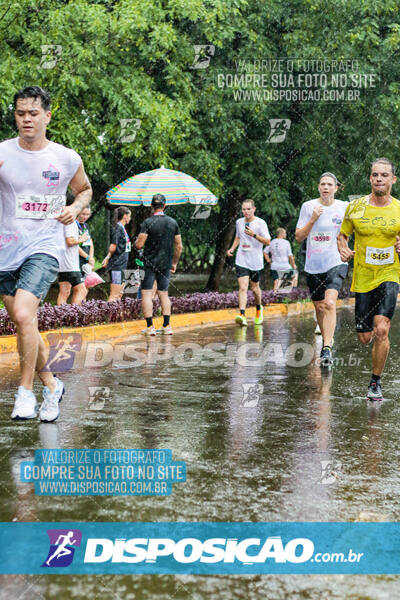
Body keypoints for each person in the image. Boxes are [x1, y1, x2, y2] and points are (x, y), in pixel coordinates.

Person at [0, 85, 92, 422]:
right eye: (20, 113)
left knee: (24, 315)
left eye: (33, 113)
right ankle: (52, 385)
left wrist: (75, 205)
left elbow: (85, 189)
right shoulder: (3, 152)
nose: (26, 119)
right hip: (5, 249)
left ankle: (25, 392)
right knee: (26, 324)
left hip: (44, 248)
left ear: (47, 116)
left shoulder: (66, 158)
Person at [337, 157, 400, 400]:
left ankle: (375, 382)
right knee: (365, 337)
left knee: (382, 329)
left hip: (389, 273)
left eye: (384, 175)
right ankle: (376, 342)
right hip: (363, 277)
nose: (379, 179)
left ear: (393, 179)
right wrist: (342, 248)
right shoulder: (356, 207)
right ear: (370, 178)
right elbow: (342, 235)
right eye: (375, 175)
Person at [295, 172, 348, 367]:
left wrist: (348, 247)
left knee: (330, 302)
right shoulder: (309, 207)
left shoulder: (343, 207)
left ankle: (326, 348)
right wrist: (313, 219)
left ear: (336, 188)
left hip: (336, 260)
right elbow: (299, 237)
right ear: (318, 187)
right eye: (322, 184)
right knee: (319, 306)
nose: (326, 187)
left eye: (329, 184)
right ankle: (327, 337)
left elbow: (353, 229)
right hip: (313, 265)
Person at [135, 193, 183, 335]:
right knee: (164, 294)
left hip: (149, 263)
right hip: (165, 264)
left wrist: (137, 242)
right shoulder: (173, 223)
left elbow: (139, 244)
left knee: (146, 294)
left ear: (151, 206)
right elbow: (179, 246)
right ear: (165, 206)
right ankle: (167, 326)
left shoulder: (147, 223)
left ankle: (150, 328)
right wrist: (174, 262)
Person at [227, 199, 270, 326]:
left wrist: (254, 235)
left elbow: (268, 241)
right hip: (242, 259)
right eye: (243, 209)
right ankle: (242, 315)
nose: (245, 212)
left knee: (255, 287)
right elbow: (238, 237)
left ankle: (258, 308)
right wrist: (232, 248)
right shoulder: (239, 222)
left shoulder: (260, 223)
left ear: (254, 209)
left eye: (248, 209)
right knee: (243, 287)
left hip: (256, 261)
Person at [57, 203, 88, 305]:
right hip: (70, 264)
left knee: (64, 292)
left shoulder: (64, 220)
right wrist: (82, 239)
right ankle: (74, 316)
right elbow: (70, 241)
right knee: (82, 290)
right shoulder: (69, 222)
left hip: (64, 263)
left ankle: (62, 317)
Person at [102, 207, 131, 301]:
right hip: (116, 265)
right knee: (114, 294)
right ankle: (108, 314)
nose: (130, 218)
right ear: (125, 216)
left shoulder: (122, 228)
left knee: (119, 293)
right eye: (129, 216)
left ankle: (116, 314)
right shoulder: (118, 228)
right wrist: (107, 258)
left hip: (122, 264)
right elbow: (112, 247)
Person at [76, 206, 94, 299]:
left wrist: (91, 258)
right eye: (83, 214)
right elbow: (75, 245)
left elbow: (91, 243)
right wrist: (87, 257)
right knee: (77, 289)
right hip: (75, 261)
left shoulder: (86, 226)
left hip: (86, 262)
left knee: (85, 288)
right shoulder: (73, 225)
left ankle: (84, 310)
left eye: (87, 214)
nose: (85, 217)